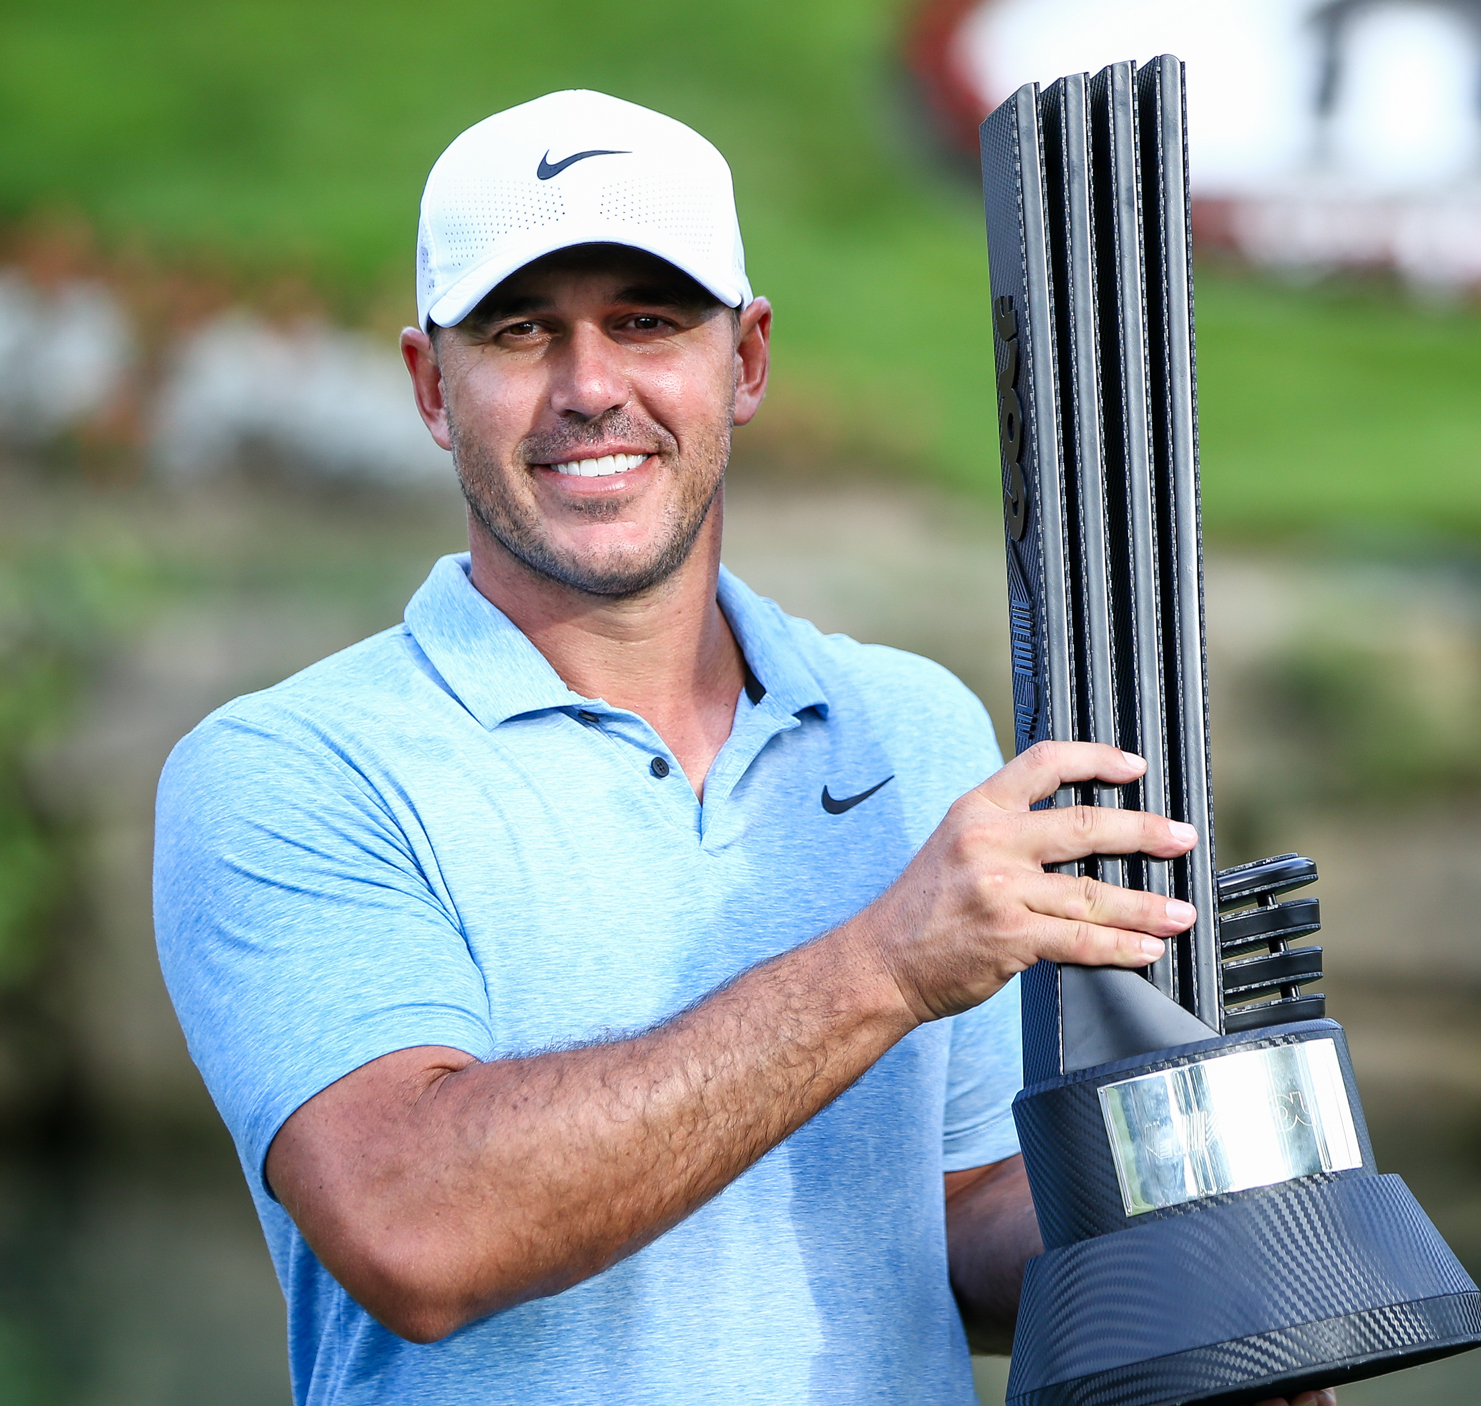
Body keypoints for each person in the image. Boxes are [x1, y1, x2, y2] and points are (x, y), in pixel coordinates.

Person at [154, 89, 1338, 1406]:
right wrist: (884, 964)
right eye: (521, 330)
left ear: (749, 359)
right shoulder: (289, 770)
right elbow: (416, 1230)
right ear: (434, 386)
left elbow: (943, 1222)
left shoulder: (912, 725)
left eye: (647, 322)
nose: (589, 386)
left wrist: (1218, 1270)